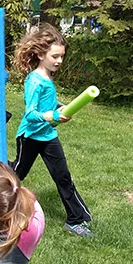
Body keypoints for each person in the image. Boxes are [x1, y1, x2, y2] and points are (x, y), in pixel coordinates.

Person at [11, 23, 94, 237]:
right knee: (15, 174)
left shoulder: (47, 78)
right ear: (40, 54)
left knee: (63, 176)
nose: (59, 61)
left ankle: (76, 219)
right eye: (55, 56)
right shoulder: (35, 81)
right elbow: (30, 114)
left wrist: (60, 107)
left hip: (48, 136)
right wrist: (55, 116)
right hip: (29, 136)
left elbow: (50, 103)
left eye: (62, 57)